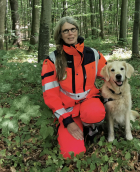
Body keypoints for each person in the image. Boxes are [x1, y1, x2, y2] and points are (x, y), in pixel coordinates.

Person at [41, 16, 107, 158]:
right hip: (67, 109)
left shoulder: (93, 54)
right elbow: (50, 95)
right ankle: (77, 127)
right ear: (60, 34)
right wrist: (67, 120)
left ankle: (91, 128)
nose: (70, 33)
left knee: (94, 112)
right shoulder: (52, 60)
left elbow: (110, 75)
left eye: (73, 29)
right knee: (72, 154)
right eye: (65, 31)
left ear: (78, 31)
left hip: (90, 101)